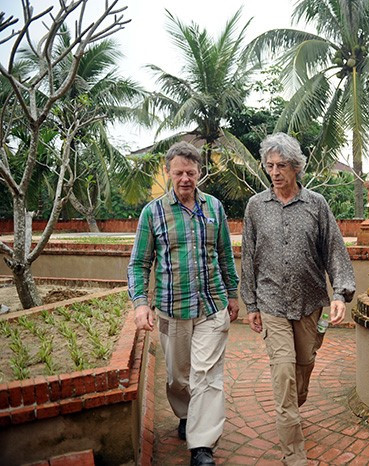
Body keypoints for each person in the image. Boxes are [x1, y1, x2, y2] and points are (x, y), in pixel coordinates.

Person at [241, 132, 355, 466]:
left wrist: (340, 293)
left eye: (282, 166)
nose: (275, 172)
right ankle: (294, 453)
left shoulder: (316, 204)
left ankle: (294, 404)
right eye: (270, 165)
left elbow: (334, 250)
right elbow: (249, 257)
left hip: (310, 304)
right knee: (283, 374)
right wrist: (251, 304)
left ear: (296, 168)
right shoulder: (255, 207)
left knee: (303, 368)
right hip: (271, 303)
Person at [127, 141, 239, 466]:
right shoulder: (153, 212)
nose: (185, 179)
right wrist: (139, 303)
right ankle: (185, 413)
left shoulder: (214, 208)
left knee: (207, 375)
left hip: (211, 306)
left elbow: (225, 256)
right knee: (179, 377)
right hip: (171, 308)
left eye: (191, 172)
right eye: (179, 172)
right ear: (168, 172)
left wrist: (232, 295)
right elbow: (138, 263)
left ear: (199, 172)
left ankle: (201, 446)